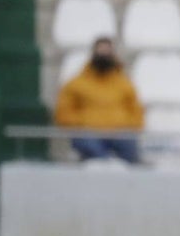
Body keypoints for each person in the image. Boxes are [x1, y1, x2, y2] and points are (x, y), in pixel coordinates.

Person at [54, 36, 143, 164]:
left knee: (129, 147)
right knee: (94, 153)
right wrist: (83, 123)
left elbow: (136, 111)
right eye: (101, 51)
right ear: (93, 53)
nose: (104, 55)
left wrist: (125, 124)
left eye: (107, 51)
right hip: (88, 133)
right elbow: (64, 112)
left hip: (118, 133)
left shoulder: (124, 84)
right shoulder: (76, 83)